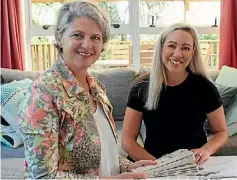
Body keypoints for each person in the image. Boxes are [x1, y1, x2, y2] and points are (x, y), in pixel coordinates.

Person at [19, 1, 156, 179]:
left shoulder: (97, 88)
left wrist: (127, 166)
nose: (87, 44)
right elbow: (42, 176)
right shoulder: (43, 94)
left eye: (95, 38)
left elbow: (102, 152)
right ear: (60, 38)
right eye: (78, 35)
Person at [121, 23, 228, 166]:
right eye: (171, 46)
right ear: (161, 47)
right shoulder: (141, 87)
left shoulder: (205, 88)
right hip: (152, 163)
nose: (177, 54)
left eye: (185, 48)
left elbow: (221, 132)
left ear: (193, 52)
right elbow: (127, 141)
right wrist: (160, 165)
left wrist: (206, 150)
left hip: (192, 165)